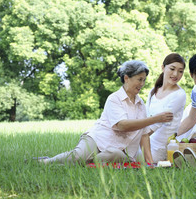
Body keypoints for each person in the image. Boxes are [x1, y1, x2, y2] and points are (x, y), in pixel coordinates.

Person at [35, 60, 173, 165]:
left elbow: (144, 136)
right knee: (78, 157)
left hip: (117, 150)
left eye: (144, 80)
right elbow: (123, 125)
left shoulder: (140, 104)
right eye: (139, 79)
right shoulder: (114, 98)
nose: (142, 84)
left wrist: (150, 164)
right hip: (97, 139)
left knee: (117, 155)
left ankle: (84, 165)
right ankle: (46, 162)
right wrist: (155, 119)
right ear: (126, 78)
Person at [141, 53, 187, 163]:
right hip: (144, 142)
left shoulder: (179, 95)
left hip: (159, 149)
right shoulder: (153, 91)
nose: (176, 74)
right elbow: (145, 117)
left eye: (180, 71)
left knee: (121, 156)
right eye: (172, 69)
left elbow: (157, 123)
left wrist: (141, 137)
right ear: (163, 68)